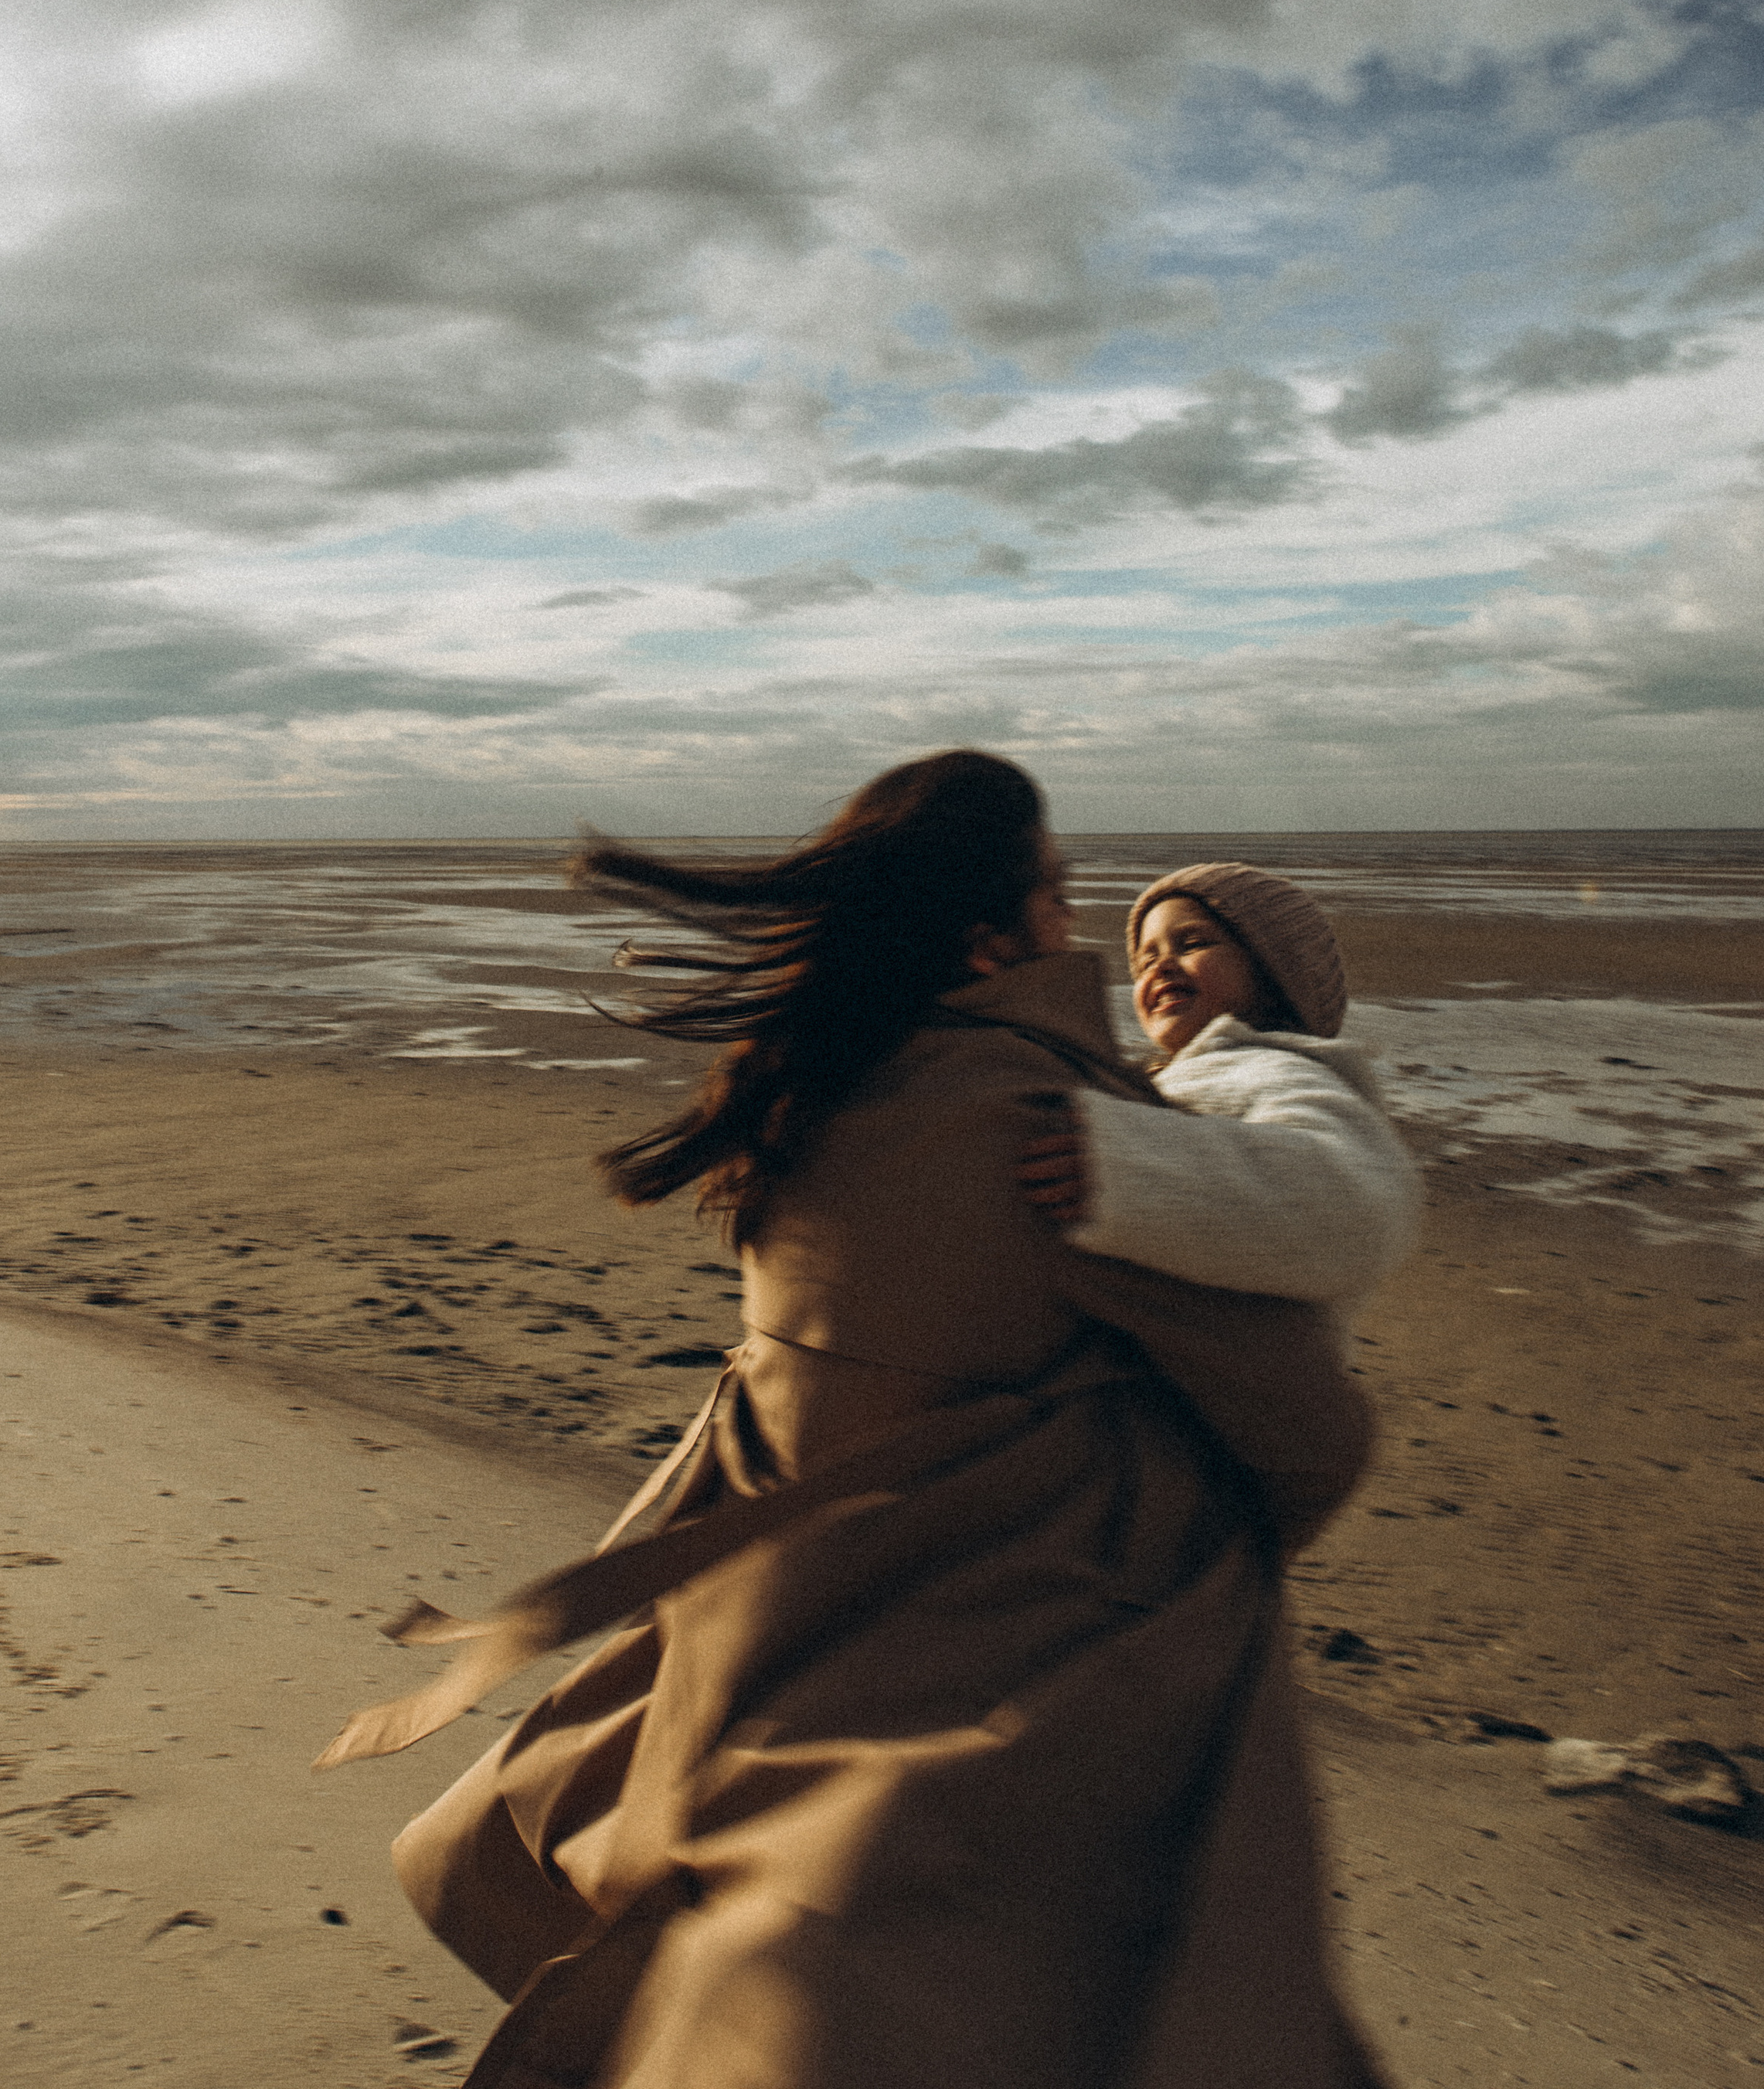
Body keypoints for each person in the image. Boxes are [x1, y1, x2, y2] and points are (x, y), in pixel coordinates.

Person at [319, 754, 1393, 2089]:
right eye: (1075, 902)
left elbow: (772, 1388)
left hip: (757, 1636)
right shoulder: (1056, 1125)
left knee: (705, 1946)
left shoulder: (799, 1105)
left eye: (1191, 946)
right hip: (1005, 1673)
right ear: (1004, 927)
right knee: (1084, 2004)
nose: (1109, 946)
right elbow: (1306, 1425)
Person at [1018, 860, 1421, 1308]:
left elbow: (1358, 1205)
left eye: (1193, 943)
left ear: (1272, 976)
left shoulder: (1274, 1070)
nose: (1162, 965)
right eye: (1145, 958)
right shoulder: (1173, 1073)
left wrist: (1129, 1165)